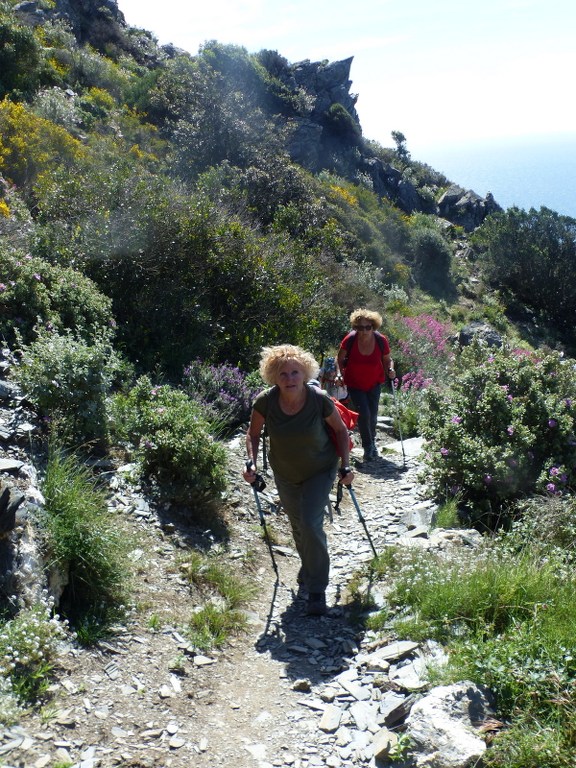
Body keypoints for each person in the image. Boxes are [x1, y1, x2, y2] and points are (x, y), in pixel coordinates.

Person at [243, 344, 354, 616]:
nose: (289, 379)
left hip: (320, 469)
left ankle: (317, 590)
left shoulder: (319, 399)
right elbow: (253, 434)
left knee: (309, 522)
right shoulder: (265, 401)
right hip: (285, 473)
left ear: (304, 374)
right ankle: (309, 565)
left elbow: (341, 432)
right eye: (283, 374)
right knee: (297, 526)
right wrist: (252, 462)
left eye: (295, 373)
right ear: (273, 376)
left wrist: (345, 466)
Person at [337, 309, 395, 462]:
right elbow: (340, 358)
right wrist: (339, 373)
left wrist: (390, 369)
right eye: (360, 327)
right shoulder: (349, 340)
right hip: (355, 383)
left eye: (367, 327)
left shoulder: (381, 340)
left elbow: (388, 359)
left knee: (373, 415)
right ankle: (368, 447)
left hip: (374, 382)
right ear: (355, 327)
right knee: (364, 414)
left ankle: (372, 442)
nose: (364, 331)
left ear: (373, 326)